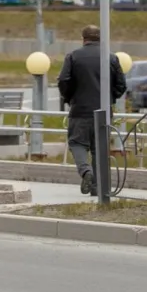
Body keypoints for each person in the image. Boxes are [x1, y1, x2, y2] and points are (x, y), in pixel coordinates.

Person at [57, 24, 126, 196]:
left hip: (80, 110)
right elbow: (121, 85)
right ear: (100, 39)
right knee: (99, 148)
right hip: (104, 110)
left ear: (84, 39)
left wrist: (70, 97)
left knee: (77, 143)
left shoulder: (73, 56)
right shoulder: (111, 58)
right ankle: (98, 188)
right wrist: (110, 98)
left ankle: (86, 172)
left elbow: (63, 80)